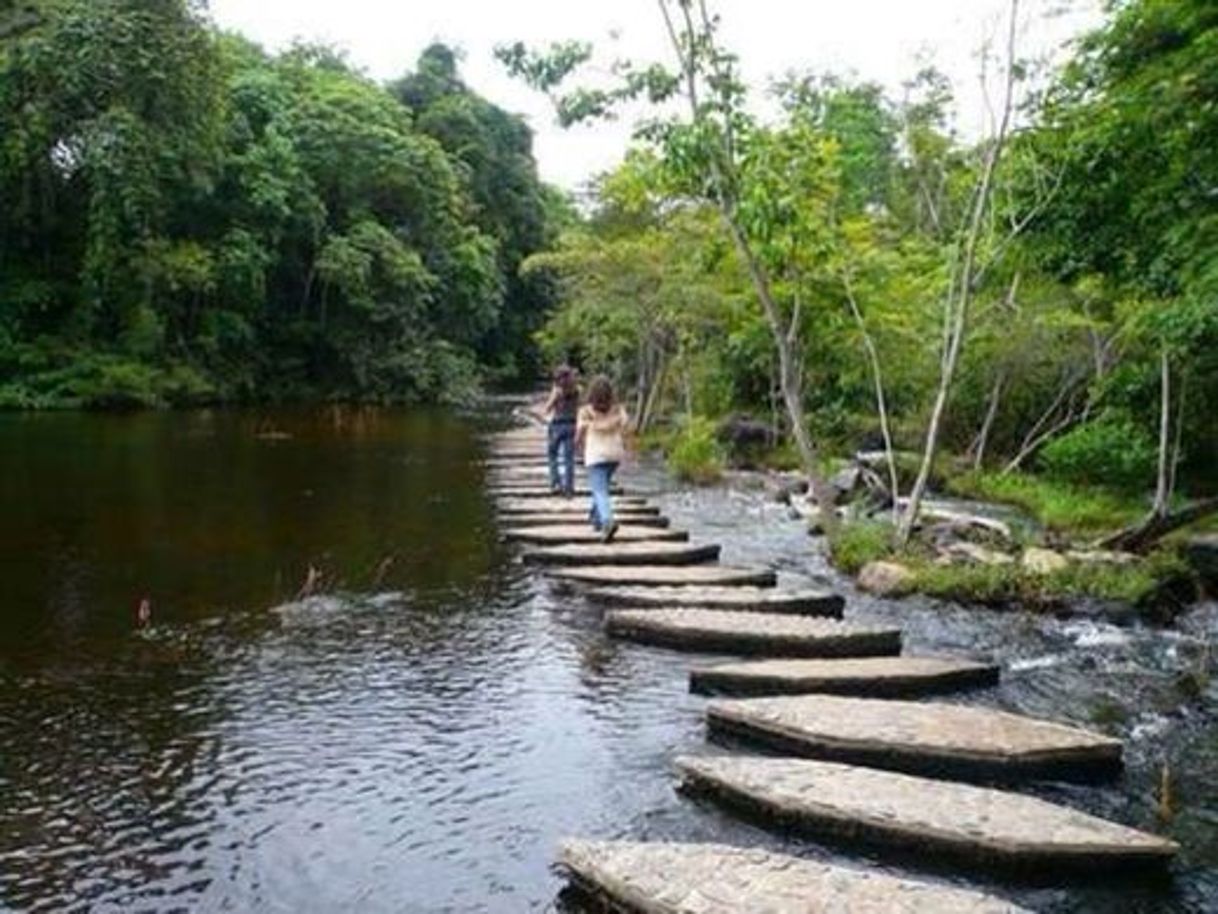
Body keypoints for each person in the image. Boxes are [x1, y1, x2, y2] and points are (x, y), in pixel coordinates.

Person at [576, 376, 628, 542]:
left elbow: (579, 433)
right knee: (601, 487)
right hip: (614, 455)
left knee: (599, 490)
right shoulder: (618, 410)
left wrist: (576, 445)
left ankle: (607, 521)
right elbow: (625, 425)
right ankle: (596, 518)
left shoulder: (585, 412)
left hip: (596, 455)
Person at [541, 365, 580, 496]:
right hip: (572, 425)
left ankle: (555, 484)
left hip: (557, 426)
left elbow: (547, 408)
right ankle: (569, 488)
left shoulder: (557, 391)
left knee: (553, 456)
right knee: (569, 459)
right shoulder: (577, 390)